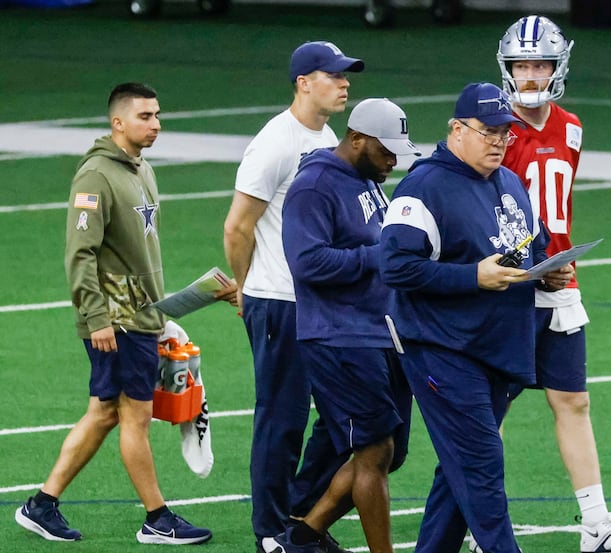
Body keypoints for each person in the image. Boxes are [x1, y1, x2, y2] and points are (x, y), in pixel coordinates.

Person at [14, 82, 231, 545]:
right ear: (118, 122)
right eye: (145, 116)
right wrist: (96, 319)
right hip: (118, 320)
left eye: (157, 115)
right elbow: (80, 254)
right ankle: (157, 518)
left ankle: (41, 504)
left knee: (105, 412)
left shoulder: (142, 169)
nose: (156, 124)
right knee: (133, 416)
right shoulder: (96, 177)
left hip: (141, 315)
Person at [479, 15, 611, 553]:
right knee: (491, 409)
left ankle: (597, 526)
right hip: (506, 283)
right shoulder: (493, 127)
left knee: (573, 401)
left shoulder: (572, 126)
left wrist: (556, 258)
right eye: (522, 64)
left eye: (540, 63)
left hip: (559, 282)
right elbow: (477, 208)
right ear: (507, 67)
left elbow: (558, 209)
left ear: (558, 66)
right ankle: (476, 524)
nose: (532, 74)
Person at [379, 82, 574, 553]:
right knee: (481, 463)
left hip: (497, 349)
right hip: (443, 348)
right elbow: (395, 266)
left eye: (505, 133)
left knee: (458, 471)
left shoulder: (508, 182)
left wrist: (546, 272)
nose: (498, 142)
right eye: (487, 131)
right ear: (456, 129)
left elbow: (533, 245)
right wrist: (472, 277)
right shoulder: (423, 185)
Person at [222, 40, 364, 553]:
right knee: (281, 419)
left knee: (342, 417)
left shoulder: (325, 137)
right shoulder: (275, 142)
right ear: (304, 82)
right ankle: (270, 530)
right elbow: (238, 226)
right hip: (279, 300)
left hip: (319, 304)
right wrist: (246, 290)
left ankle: (300, 513)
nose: (346, 83)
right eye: (335, 75)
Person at [278, 97, 418, 553]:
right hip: (340, 334)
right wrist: (379, 257)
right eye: (386, 151)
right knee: (375, 451)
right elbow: (306, 261)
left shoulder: (367, 177)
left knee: (389, 452)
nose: (393, 162)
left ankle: (302, 535)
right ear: (356, 140)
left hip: (379, 331)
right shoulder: (315, 186)